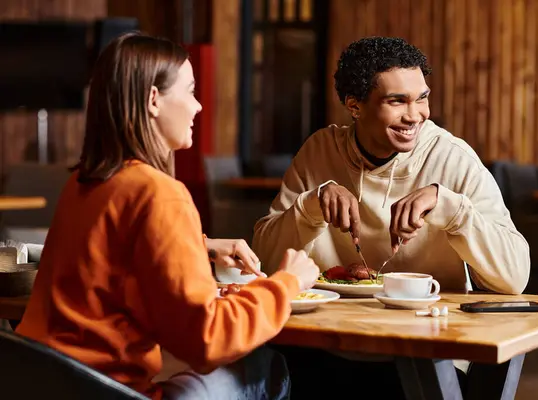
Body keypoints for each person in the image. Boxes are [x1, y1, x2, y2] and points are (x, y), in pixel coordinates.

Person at [16, 32, 319, 400]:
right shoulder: (160, 193)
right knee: (266, 367)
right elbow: (207, 341)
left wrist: (200, 245)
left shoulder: (83, 183)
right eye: (190, 91)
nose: (198, 107)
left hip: (39, 382)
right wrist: (288, 283)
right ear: (153, 100)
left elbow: (113, 252)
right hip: (113, 391)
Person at [253, 36, 531, 398]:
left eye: (422, 98)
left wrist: (451, 209)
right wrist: (310, 206)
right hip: (329, 344)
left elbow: (515, 278)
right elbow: (266, 258)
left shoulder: (453, 158)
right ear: (354, 106)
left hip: (424, 350)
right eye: (397, 101)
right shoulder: (319, 151)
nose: (415, 115)